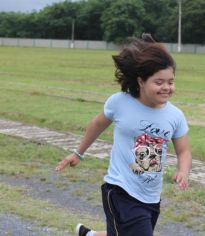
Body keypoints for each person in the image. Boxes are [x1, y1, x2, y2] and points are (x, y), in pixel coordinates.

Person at [55, 33, 192, 236]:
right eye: (159, 82)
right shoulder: (120, 102)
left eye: (171, 82)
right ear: (141, 81)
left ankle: (90, 235)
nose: (166, 88)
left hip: (151, 196)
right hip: (120, 190)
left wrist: (183, 171)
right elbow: (97, 124)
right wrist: (78, 153)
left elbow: (184, 151)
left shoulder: (175, 116)